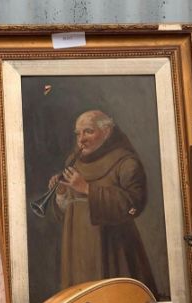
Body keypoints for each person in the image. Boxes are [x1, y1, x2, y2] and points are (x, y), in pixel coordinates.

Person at [47, 110, 158, 293]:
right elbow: (68, 210)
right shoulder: (73, 162)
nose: (81, 139)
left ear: (106, 132)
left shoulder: (126, 162)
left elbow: (134, 204)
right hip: (76, 250)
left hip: (112, 250)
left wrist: (87, 189)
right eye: (78, 133)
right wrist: (61, 194)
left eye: (88, 131)